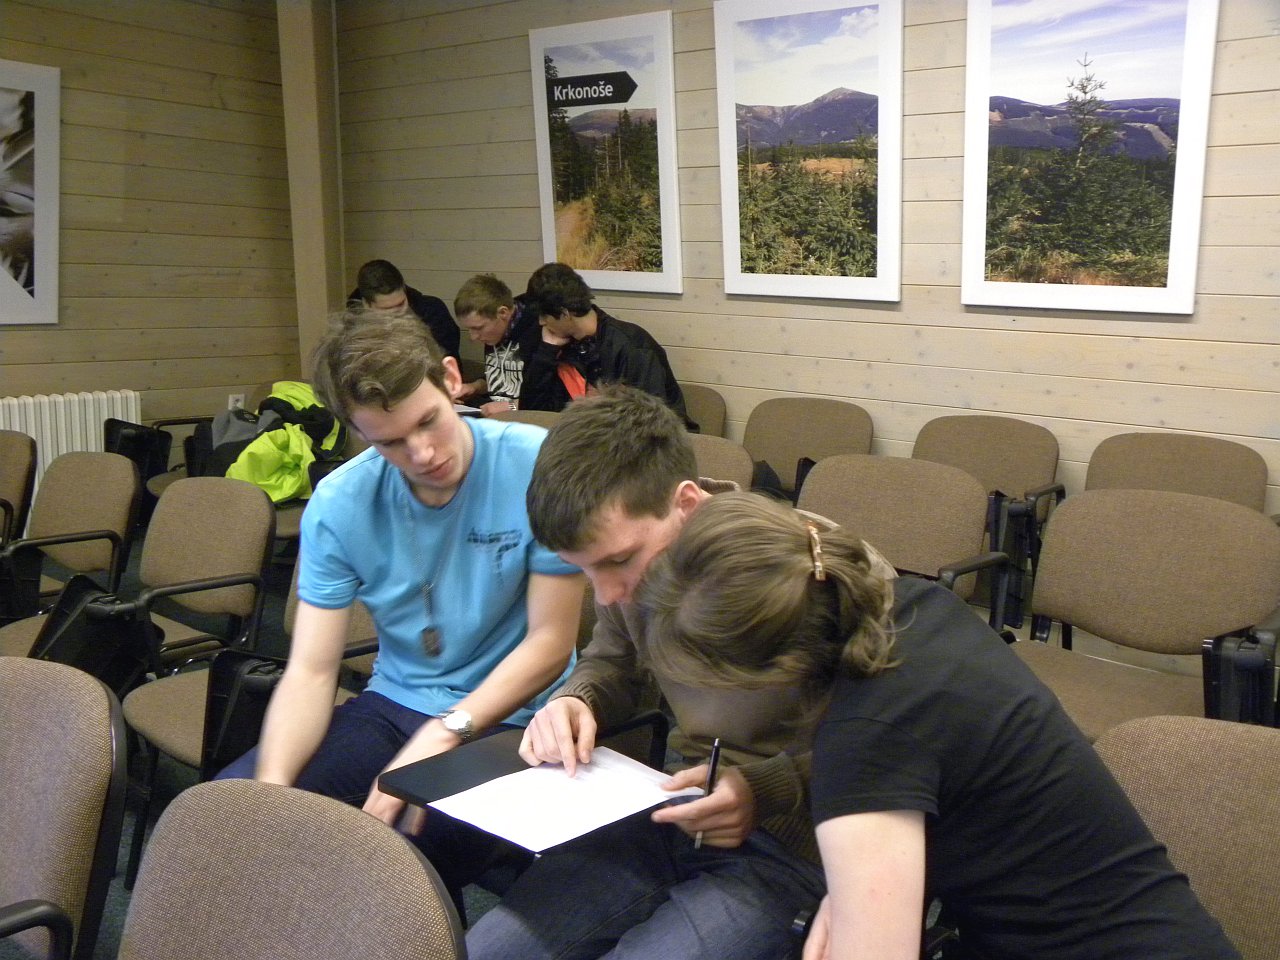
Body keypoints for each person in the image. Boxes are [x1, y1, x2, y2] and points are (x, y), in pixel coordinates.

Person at [637, 492, 1242, 960]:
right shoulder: (915, 608)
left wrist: (856, 904)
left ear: (772, 674)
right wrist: (855, 896)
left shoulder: (863, 741)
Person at [217, 307, 585, 906]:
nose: (422, 453)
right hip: (393, 703)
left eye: (428, 421)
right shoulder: (341, 503)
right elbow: (311, 671)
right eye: (389, 442)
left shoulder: (536, 463)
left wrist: (446, 730)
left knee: (388, 870)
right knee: (236, 820)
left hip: (514, 717)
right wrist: (273, 794)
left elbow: (550, 644)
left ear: (450, 378)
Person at [466, 385, 847, 960]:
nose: (607, 594)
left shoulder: (806, 567)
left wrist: (768, 788)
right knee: (486, 951)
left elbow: (907, 746)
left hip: (796, 841)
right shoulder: (632, 563)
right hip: (671, 807)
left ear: (686, 505)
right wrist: (577, 699)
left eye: (619, 561)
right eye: (585, 570)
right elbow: (614, 659)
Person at [519, 262, 696, 430]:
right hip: (579, 439)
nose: (541, 322)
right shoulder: (552, 343)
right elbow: (531, 414)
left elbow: (650, 422)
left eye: (544, 316)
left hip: (648, 443)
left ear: (565, 314)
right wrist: (546, 353)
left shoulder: (631, 346)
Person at [452, 273, 540, 416]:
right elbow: (502, 381)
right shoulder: (495, 332)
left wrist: (512, 406)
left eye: (478, 328)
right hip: (494, 412)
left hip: (528, 417)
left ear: (503, 313)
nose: (473, 337)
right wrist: (475, 387)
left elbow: (550, 397)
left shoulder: (539, 331)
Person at [349, 258, 461, 360]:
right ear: (366, 305)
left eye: (401, 304)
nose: (396, 314)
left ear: (404, 290)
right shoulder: (351, 324)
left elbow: (448, 362)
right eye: (386, 309)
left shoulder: (432, 312)